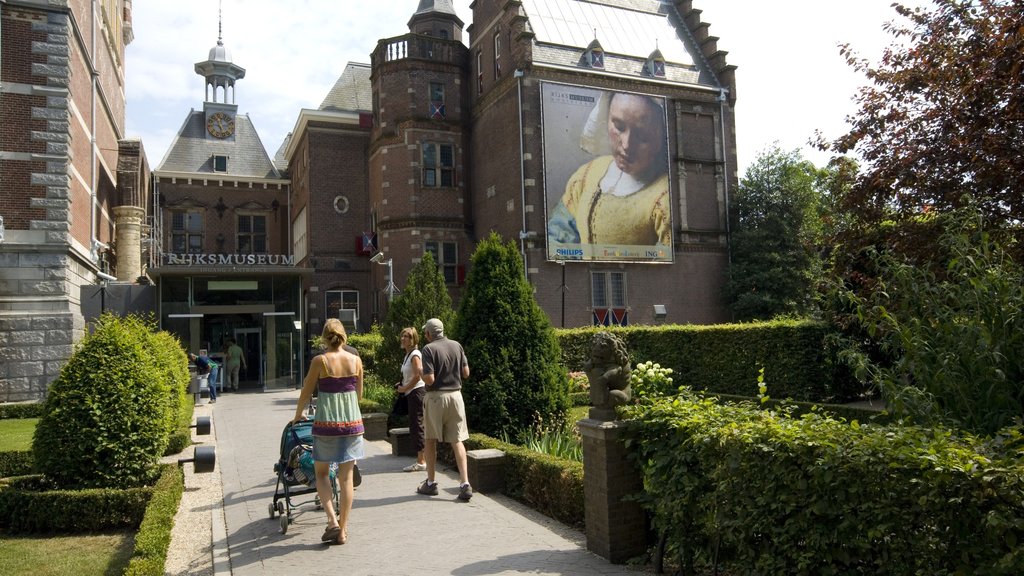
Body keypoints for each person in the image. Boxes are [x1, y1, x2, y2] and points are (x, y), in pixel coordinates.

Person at [547, 91, 670, 247]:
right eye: (619, 127)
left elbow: (666, 264)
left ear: (660, 138)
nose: (626, 145)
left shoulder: (664, 196)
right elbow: (557, 236)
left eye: (642, 136)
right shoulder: (588, 174)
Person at [291, 318, 364, 545]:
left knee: (321, 473)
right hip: (352, 424)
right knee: (346, 479)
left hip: (326, 425)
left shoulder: (319, 361)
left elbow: (306, 392)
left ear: (324, 337)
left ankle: (332, 520)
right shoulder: (356, 360)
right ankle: (342, 531)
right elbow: (359, 395)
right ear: (344, 335)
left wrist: (297, 416)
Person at [415, 318, 473, 501]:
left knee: (430, 440)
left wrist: (420, 374)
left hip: (436, 398)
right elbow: (466, 373)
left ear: (428, 334)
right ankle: (465, 483)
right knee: (458, 440)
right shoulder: (457, 345)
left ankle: (431, 483)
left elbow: (430, 379)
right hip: (456, 396)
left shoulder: (428, 349)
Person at [396, 327, 426, 472]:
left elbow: (418, 375)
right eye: (402, 336)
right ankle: (421, 458)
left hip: (416, 392)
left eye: (407, 336)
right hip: (412, 392)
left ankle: (421, 461)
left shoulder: (415, 355)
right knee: (415, 425)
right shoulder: (408, 354)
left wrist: (404, 387)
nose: (403, 339)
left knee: (417, 425)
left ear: (413, 339)